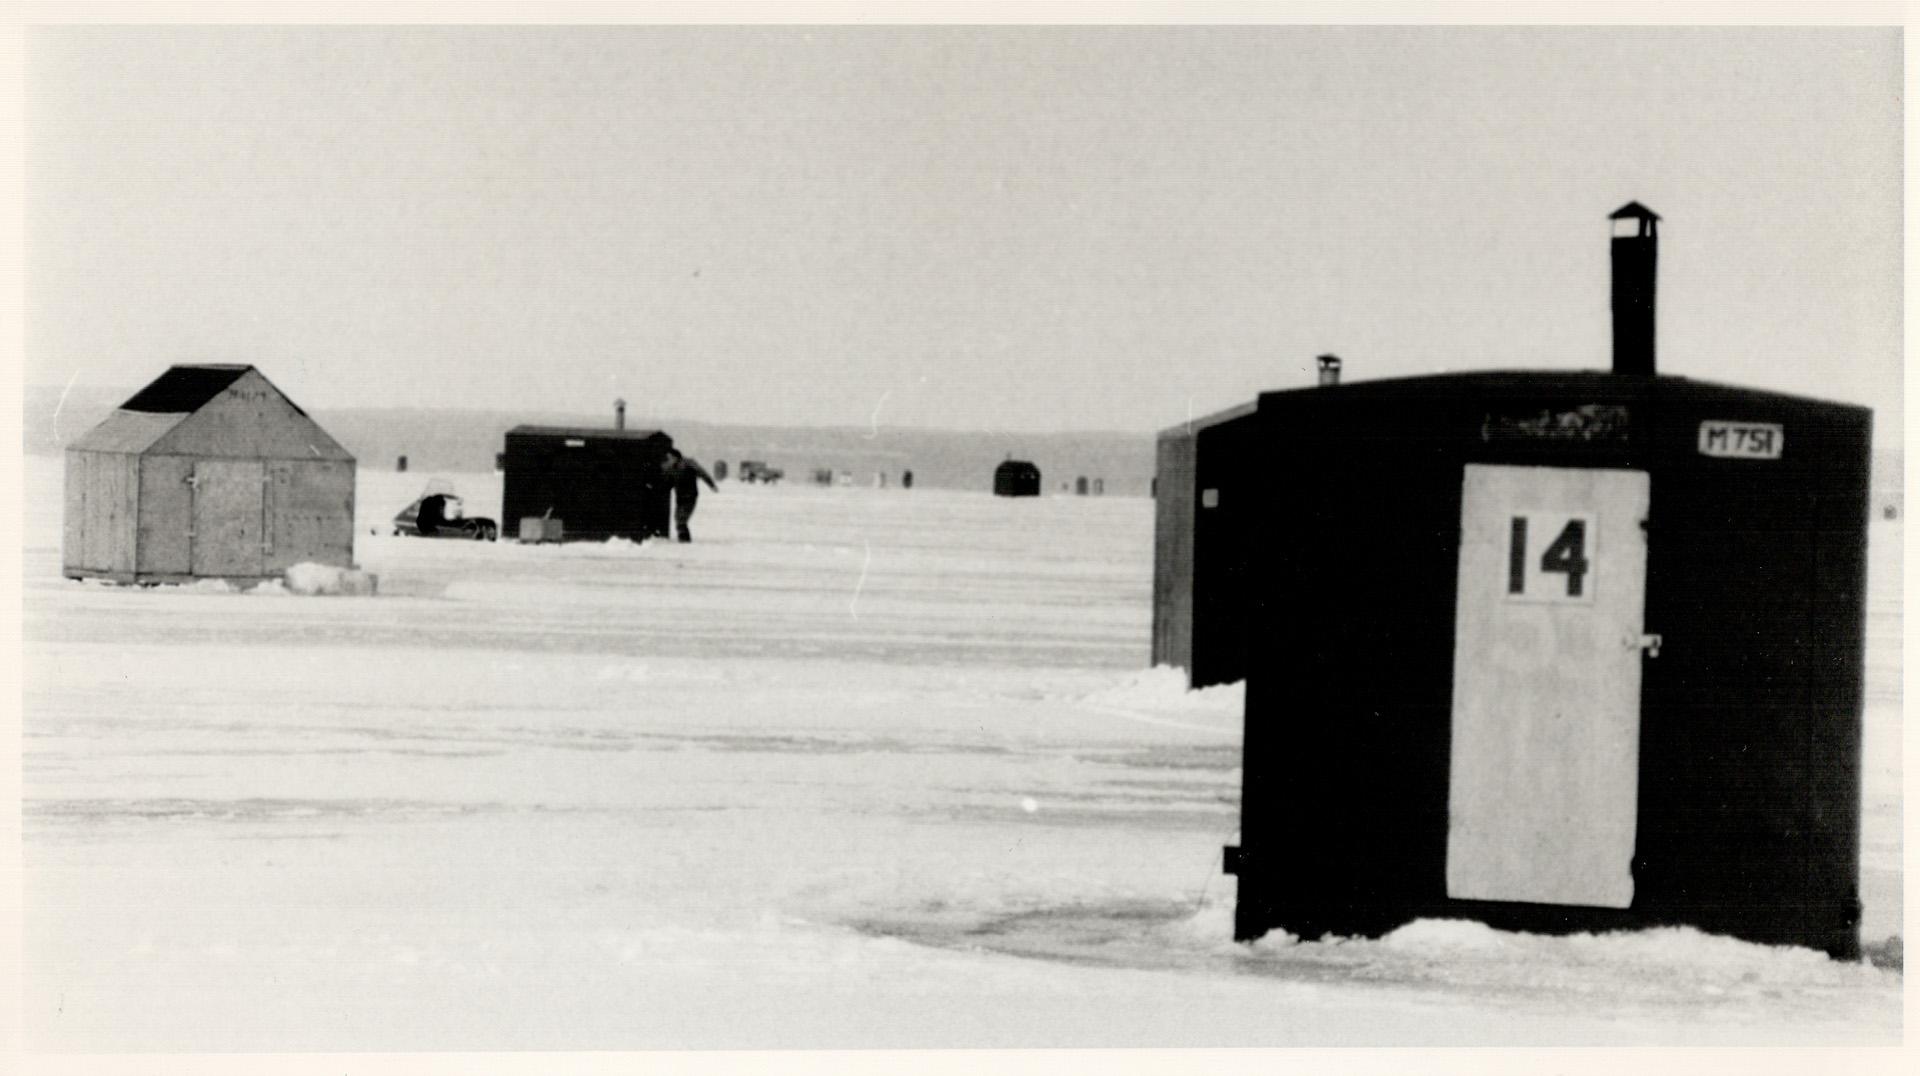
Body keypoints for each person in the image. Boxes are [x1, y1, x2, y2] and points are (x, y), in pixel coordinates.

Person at [663, 449, 718, 543]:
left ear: (676, 457)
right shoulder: (671, 468)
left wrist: (711, 485)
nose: (669, 460)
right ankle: (683, 540)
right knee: (678, 519)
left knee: (681, 520)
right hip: (680, 497)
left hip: (690, 495)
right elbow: (669, 483)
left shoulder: (688, 463)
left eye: (670, 457)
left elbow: (702, 473)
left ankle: (685, 541)